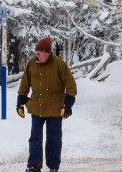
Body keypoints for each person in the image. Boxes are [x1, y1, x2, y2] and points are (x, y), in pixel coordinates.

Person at [16, 37, 77, 172]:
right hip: (37, 107)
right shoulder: (32, 63)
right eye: (36, 53)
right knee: (34, 138)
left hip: (55, 108)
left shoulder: (59, 64)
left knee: (54, 139)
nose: (37, 55)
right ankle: (33, 166)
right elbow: (25, 84)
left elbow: (71, 85)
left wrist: (68, 104)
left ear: (47, 52)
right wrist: (20, 102)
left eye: (39, 53)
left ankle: (53, 167)